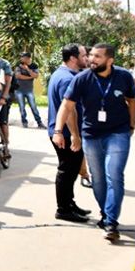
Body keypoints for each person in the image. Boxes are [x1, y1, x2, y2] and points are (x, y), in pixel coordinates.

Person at [55, 43, 135, 242]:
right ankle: (105, 212)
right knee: (98, 178)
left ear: (110, 60)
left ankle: (111, 221)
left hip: (118, 132)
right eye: (90, 56)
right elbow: (67, 105)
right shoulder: (82, 78)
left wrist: (132, 124)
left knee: (114, 175)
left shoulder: (124, 76)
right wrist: (58, 131)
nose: (92, 59)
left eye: (97, 57)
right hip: (91, 135)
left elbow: (131, 100)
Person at [47, 44, 92, 223]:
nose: (87, 58)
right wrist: (75, 135)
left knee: (72, 170)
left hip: (65, 133)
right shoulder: (66, 79)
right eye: (83, 55)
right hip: (66, 134)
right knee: (67, 170)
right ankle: (63, 208)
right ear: (73, 58)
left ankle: (69, 203)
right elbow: (69, 111)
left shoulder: (64, 74)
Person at [13, 52, 44, 128]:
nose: (21, 58)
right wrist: (30, 77)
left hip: (29, 90)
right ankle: (24, 122)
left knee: (33, 107)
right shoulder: (18, 65)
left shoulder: (34, 66)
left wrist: (27, 69)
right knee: (22, 107)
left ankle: (39, 122)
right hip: (19, 90)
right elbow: (18, 76)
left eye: (22, 57)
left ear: (28, 58)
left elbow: (36, 75)